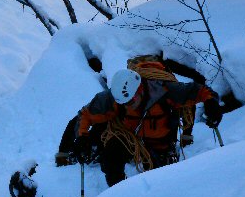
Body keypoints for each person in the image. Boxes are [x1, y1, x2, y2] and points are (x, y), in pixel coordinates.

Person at [73, 68, 222, 187]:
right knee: (111, 158)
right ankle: (118, 194)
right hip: (130, 137)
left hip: (161, 143)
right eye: (124, 104)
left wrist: (211, 103)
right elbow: (85, 114)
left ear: (139, 90)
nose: (127, 106)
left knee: (161, 181)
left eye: (130, 102)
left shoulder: (165, 91)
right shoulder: (114, 98)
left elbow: (200, 91)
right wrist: (82, 137)